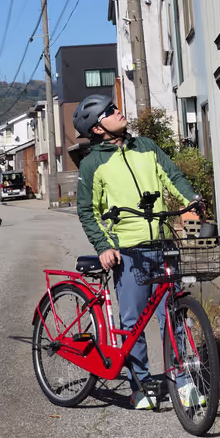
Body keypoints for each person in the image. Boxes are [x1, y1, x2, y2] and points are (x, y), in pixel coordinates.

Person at [75, 94, 201, 410]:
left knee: (175, 315)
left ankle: (185, 380)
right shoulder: (93, 163)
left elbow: (172, 177)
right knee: (133, 322)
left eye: (116, 107)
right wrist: (104, 247)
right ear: (97, 128)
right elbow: (88, 211)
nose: (118, 112)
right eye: (110, 111)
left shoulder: (146, 146)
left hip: (163, 245)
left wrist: (191, 202)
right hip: (128, 253)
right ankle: (140, 385)